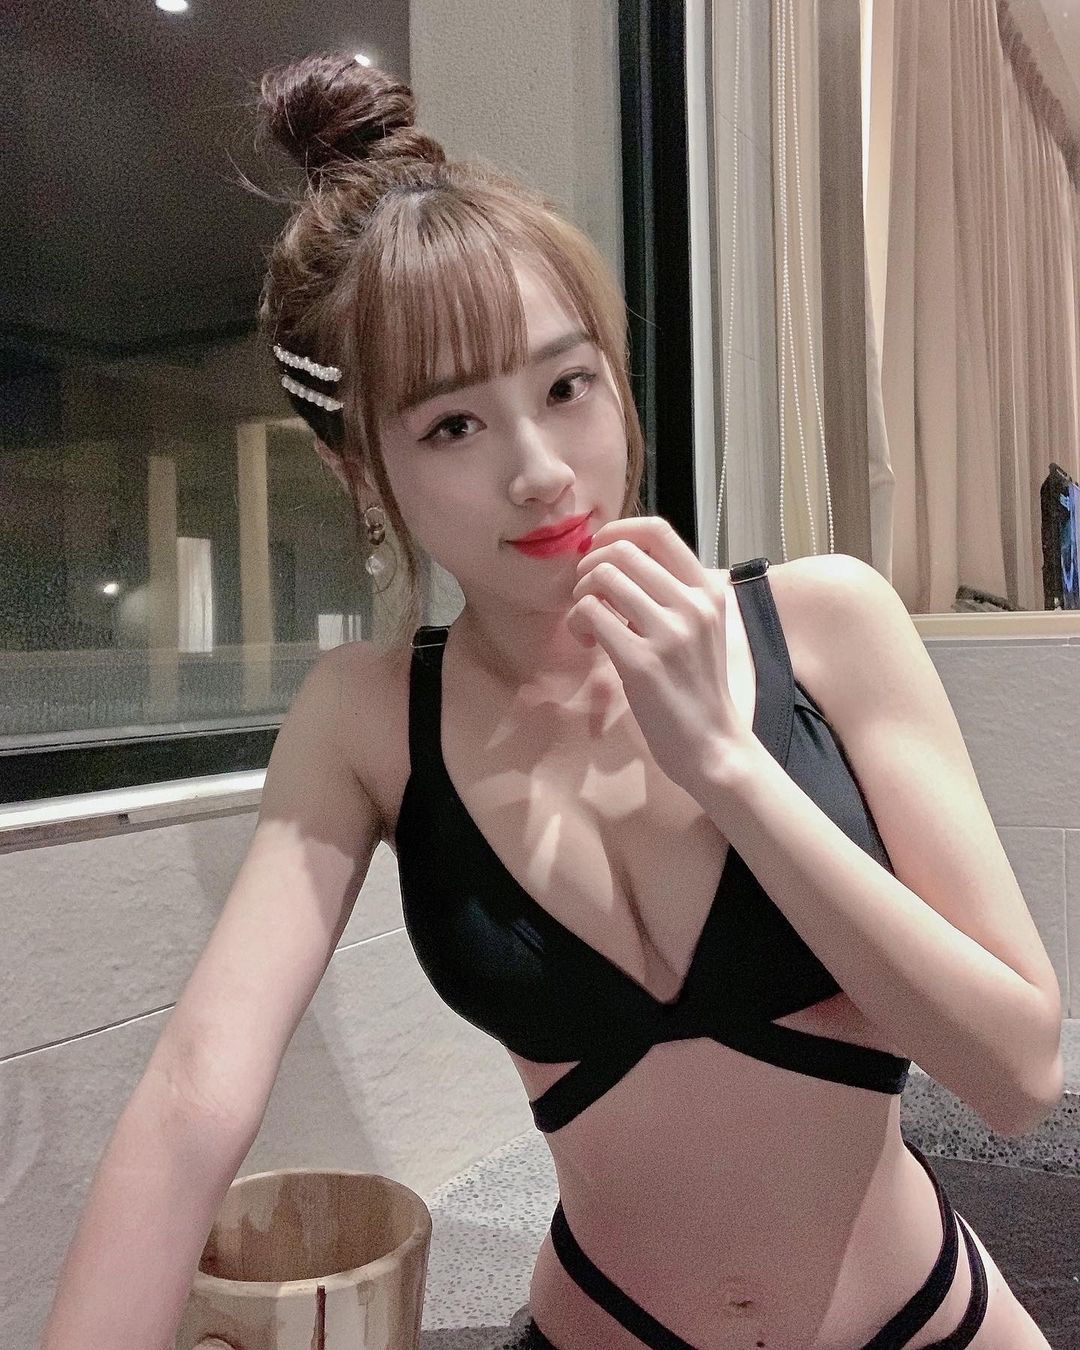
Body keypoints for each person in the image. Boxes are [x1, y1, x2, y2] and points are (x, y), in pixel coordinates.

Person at [40, 53, 1063, 1350]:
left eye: (566, 386)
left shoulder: (822, 624)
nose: (539, 470)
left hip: (920, 1317)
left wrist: (729, 764)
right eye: (452, 427)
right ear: (361, 470)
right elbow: (195, 1092)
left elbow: (1019, 1075)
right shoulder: (367, 720)